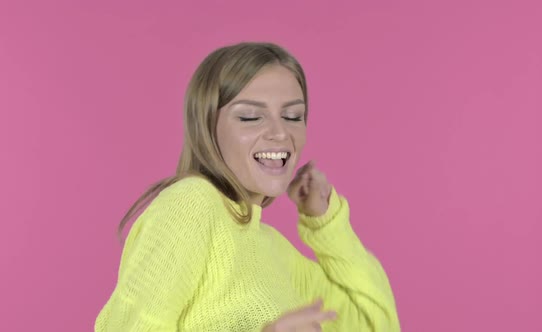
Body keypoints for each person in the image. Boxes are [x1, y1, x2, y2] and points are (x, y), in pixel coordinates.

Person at [94, 42, 400, 332]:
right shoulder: (190, 204)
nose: (280, 133)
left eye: (293, 116)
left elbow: (373, 323)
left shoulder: (272, 248)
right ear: (206, 127)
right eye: (251, 117)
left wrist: (325, 223)